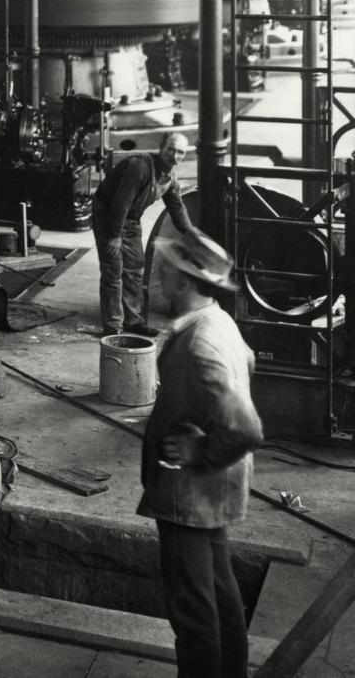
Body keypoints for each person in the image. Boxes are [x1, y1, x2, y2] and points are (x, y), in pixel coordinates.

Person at [138, 231, 262, 678]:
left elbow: (245, 428)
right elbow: (247, 361)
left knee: (192, 610)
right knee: (218, 589)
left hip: (190, 492)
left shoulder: (201, 342)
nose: (161, 271)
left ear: (186, 282)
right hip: (213, 490)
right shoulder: (216, 321)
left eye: (168, 266)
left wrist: (202, 449)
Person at [92, 132, 196, 336]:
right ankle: (113, 327)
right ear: (161, 149)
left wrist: (193, 235)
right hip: (109, 214)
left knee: (135, 269)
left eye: (180, 153)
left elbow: (177, 208)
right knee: (114, 271)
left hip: (131, 218)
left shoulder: (170, 179)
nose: (175, 156)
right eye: (171, 150)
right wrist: (113, 237)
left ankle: (133, 321)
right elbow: (120, 203)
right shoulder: (139, 166)